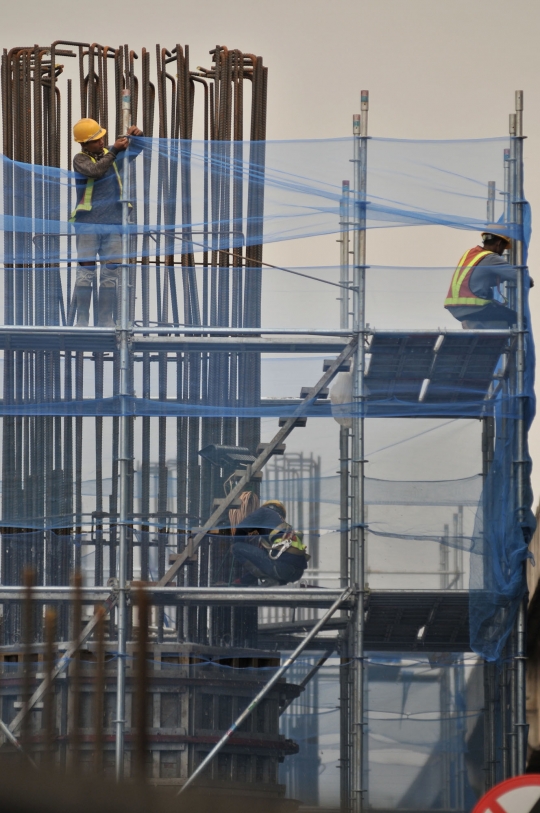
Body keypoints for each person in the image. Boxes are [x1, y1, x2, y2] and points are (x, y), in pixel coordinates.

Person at [70, 117, 143, 327]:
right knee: (86, 272)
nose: (101, 141)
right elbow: (96, 171)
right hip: (88, 225)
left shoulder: (113, 158)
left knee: (111, 272)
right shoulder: (80, 159)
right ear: (84, 143)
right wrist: (114, 151)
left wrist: (138, 136)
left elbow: (137, 150)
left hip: (112, 224)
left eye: (102, 137)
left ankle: (104, 319)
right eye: (96, 139)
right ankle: (82, 319)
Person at [444, 231, 524, 328]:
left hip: (455, 308)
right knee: (520, 320)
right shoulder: (491, 257)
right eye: (503, 248)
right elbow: (520, 276)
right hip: (474, 308)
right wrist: (529, 280)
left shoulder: (470, 253)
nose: (502, 252)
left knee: (499, 318)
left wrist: (502, 277)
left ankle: (476, 326)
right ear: (498, 243)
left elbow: (479, 279)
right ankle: (476, 326)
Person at [231, 499, 309, 587]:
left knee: (236, 547)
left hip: (281, 568)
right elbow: (263, 564)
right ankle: (276, 582)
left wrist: (236, 544)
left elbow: (241, 528)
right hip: (296, 574)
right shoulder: (285, 532)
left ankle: (271, 581)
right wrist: (242, 580)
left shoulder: (264, 512)